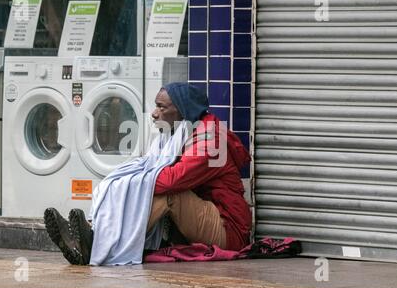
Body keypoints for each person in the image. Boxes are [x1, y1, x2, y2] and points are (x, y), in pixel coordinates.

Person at [44, 82, 252, 265]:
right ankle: (93, 235)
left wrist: (124, 184)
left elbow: (172, 180)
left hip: (228, 231)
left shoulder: (209, 140)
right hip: (198, 219)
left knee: (167, 193)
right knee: (140, 185)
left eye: (161, 107)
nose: (154, 113)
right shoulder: (178, 134)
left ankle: (96, 240)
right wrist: (127, 182)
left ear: (182, 111)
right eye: (156, 106)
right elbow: (152, 169)